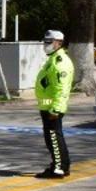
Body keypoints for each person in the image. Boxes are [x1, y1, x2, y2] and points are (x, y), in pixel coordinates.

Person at [35, 30, 74, 179]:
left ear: (59, 43)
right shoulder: (53, 59)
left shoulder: (60, 62)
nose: (46, 45)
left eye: (49, 42)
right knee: (53, 138)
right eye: (45, 42)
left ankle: (59, 169)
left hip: (52, 108)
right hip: (48, 106)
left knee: (54, 139)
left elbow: (62, 89)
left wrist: (56, 109)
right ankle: (62, 166)